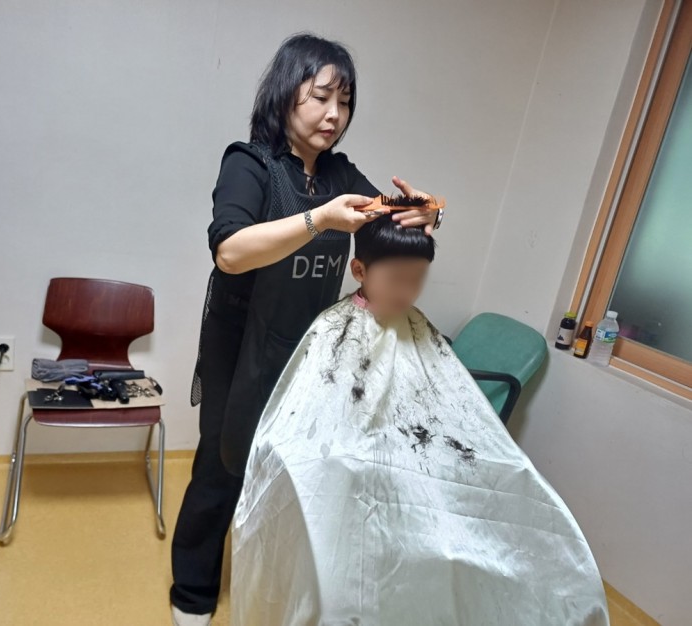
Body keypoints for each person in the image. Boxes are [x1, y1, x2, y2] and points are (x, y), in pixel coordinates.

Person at [170, 33, 442, 626]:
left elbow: (390, 217)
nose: (333, 114)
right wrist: (318, 219)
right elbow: (230, 252)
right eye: (320, 97)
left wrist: (428, 212)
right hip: (241, 347)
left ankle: (271, 582)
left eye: (344, 102)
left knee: (291, 468)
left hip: (309, 349)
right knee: (222, 465)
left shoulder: (340, 172)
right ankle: (191, 594)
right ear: (285, 93)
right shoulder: (250, 164)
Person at [229, 215, 610, 625]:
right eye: (397, 278)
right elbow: (312, 414)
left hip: (420, 449)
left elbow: (451, 402)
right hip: (356, 454)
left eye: (418, 279)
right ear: (359, 270)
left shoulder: (417, 326)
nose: (408, 291)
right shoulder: (335, 328)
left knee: (516, 473)